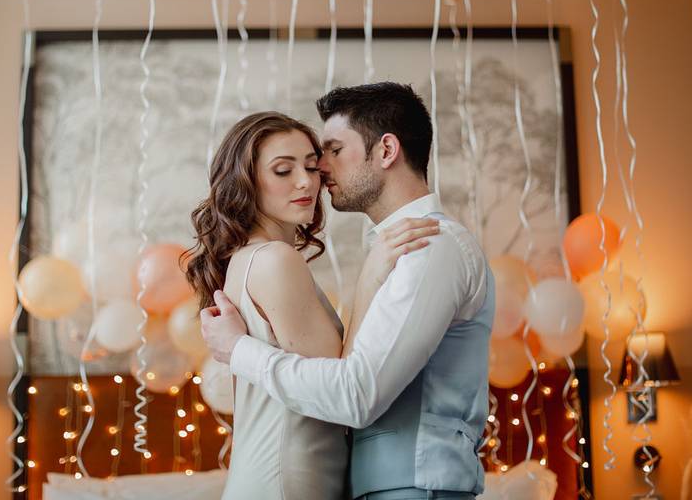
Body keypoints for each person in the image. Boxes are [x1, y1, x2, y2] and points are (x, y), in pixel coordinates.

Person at [201, 83, 496, 500]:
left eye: (330, 153)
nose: (317, 173)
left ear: (386, 151)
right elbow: (345, 382)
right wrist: (370, 278)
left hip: (410, 482)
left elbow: (351, 393)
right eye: (285, 170)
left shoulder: (429, 244)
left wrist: (239, 351)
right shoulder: (274, 259)